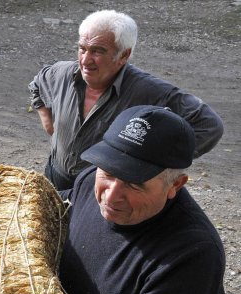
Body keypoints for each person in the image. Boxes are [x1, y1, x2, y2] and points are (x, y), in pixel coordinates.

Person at [58, 105, 225, 294]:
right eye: (109, 172)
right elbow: (58, 206)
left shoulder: (191, 255)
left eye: (134, 184)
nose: (110, 196)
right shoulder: (91, 178)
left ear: (175, 185)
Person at [28, 9, 224, 190]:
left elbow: (209, 126)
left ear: (124, 54)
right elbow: (38, 82)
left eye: (98, 51)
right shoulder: (61, 73)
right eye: (82, 48)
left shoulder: (149, 91)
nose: (85, 60)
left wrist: (154, 162)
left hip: (103, 190)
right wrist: (49, 124)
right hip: (55, 179)